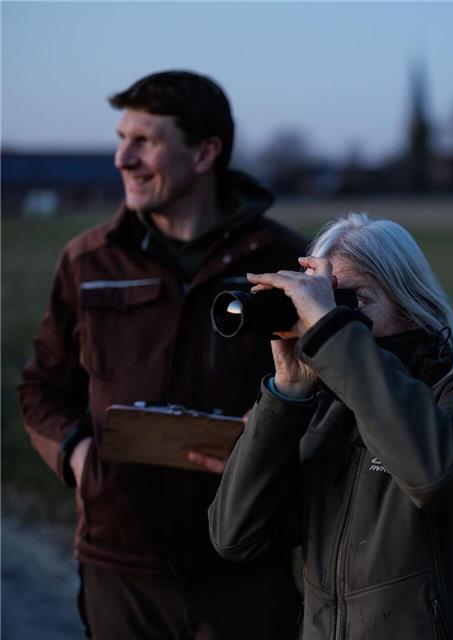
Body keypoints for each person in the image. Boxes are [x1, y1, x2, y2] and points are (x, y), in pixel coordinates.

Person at [17, 70, 305, 638]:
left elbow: (333, 402)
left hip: (246, 570)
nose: (122, 158)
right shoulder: (88, 261)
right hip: (118, 568)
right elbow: (39, 390)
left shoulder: (288, 264)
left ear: (205, 153)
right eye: (122, 138)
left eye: (144, 140)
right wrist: (77, 458)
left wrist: (274, 444)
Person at [208, 213, 453, 640]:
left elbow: (436, 474)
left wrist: (334, 338)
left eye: (349, 301)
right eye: (321, 302)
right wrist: (287, 394)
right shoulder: (323, 405)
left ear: (412, 305)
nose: (327, 319)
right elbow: (236, 535)